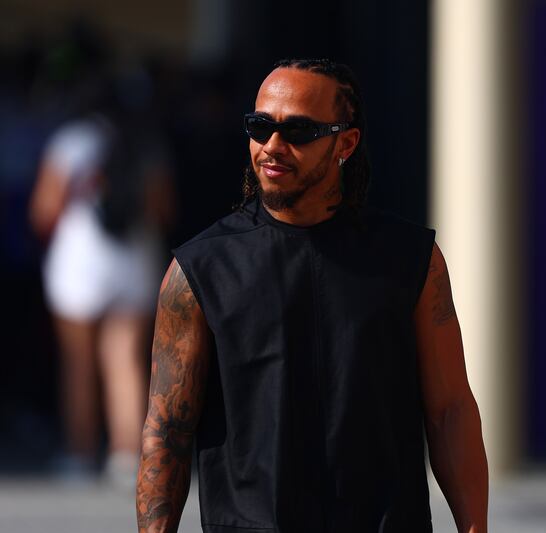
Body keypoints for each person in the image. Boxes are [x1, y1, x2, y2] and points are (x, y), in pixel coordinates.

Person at [136, 58, 488, 533]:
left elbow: (450, 409)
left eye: (298, 131)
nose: (273, 146)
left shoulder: (410, 258)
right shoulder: (199, 269)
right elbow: (166, 432)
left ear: (346, 142)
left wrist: (474, 527)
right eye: (260, 127)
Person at [29, 74, 173, 486]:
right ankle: (126, 455)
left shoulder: (70, 142)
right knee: (126, 362)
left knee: (79, 364)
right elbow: (164, 209)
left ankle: (80, 453)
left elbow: (43, 210)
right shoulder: (145, 142)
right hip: (134, 262)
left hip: (79, 264)